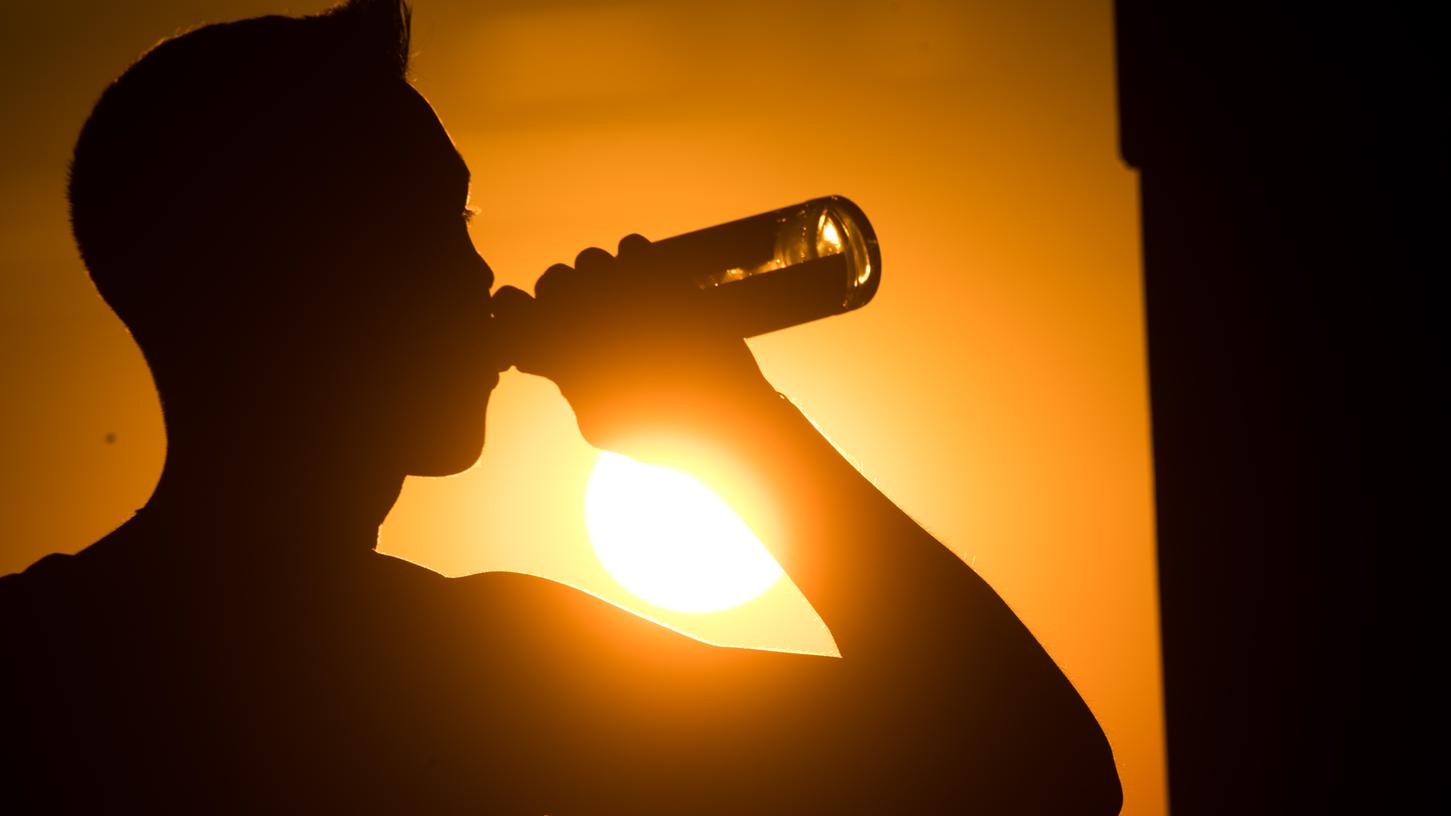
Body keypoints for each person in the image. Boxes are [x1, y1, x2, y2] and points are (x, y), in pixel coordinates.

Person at [0, 1, 1121, 812]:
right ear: (288, 276)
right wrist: (731, 425)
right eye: (432, 227)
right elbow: (1031, 770)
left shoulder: (36, 658)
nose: (478, 278)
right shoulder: (474, 677)